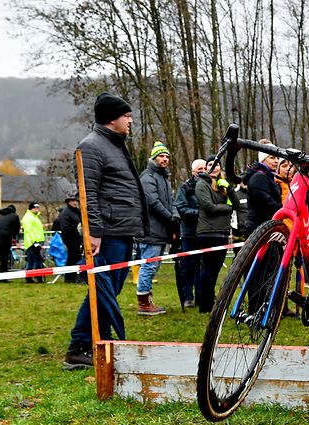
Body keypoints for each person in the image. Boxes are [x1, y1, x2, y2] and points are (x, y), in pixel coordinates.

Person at [64, 92, 149, 371]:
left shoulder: (114, 144)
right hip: (107, 233)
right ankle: (79, 346)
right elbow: (88, 192)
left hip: (122, 230)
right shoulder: (91, 146)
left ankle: (100, 339)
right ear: (112, 119)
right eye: (127, 115)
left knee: (108, 290)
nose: (131, 120)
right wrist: (95, 232)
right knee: (100, 290)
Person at [135, 141, 179, 316]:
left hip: (162, 230)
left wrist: (175, 216)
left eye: (167, 156)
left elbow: (171, 201)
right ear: (154, 158)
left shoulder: (164, 179)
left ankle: (147, 298)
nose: (165, 159)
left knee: (154, 265)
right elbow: (152, 202)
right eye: (161, 156)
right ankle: (143, 303)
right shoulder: (148, 177)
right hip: (150, 230)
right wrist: (169, 218)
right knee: (149, 266)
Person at [195, 156, 236, 313]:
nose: (214, 167)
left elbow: (237, 204)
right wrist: (227, 207)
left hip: (223, 231)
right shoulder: (201, 184)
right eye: (210, 164)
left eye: (216, 164)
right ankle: (205, 304)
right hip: (208, 232)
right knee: (208, 269)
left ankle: (210, 299)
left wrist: (229, 189)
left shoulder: (223, 186)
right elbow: (208, 207)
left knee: (216, 269)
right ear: (206, 168)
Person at [175, 158, 206, 309]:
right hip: (189, 234)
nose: (202, 171)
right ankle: (188, 297)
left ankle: (202, 296)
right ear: (193, 171)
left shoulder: (210, 187)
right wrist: (201, 213)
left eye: (205, 168)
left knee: (203, 267)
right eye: (199, 169)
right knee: (188, 267)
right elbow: (181, 208)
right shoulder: (185, 187)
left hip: (205, 233)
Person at [243, 139, 282, 235]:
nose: (276, 161)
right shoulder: (259, 177)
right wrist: (283, 209)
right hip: (259, 227)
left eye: (277, 158)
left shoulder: (269, 176)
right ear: (263, 159)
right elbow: (266, 201)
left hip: (266, 225)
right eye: (272, 158)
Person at [57, 194, 82, 283]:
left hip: (77, 239)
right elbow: (65, 228)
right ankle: (70, 277)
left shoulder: (77, 212)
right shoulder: (66, 213)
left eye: (76, 201)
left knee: (75, 258)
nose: (75, 202)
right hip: (70, 239)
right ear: (68, 202)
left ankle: (74, 277)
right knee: (72, 258)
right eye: (72, 201)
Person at [21, 202, 45, 283]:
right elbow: (29, 231)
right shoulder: (28, 218)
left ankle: (29, 277)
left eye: (38, 207)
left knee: (31, 260)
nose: (37, 209)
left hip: (35, 241)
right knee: (37, 260)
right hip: (32, 242)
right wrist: (34, 241)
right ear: (31, 208)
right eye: (35, 208)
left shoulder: (34, 217)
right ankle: (37, 276)